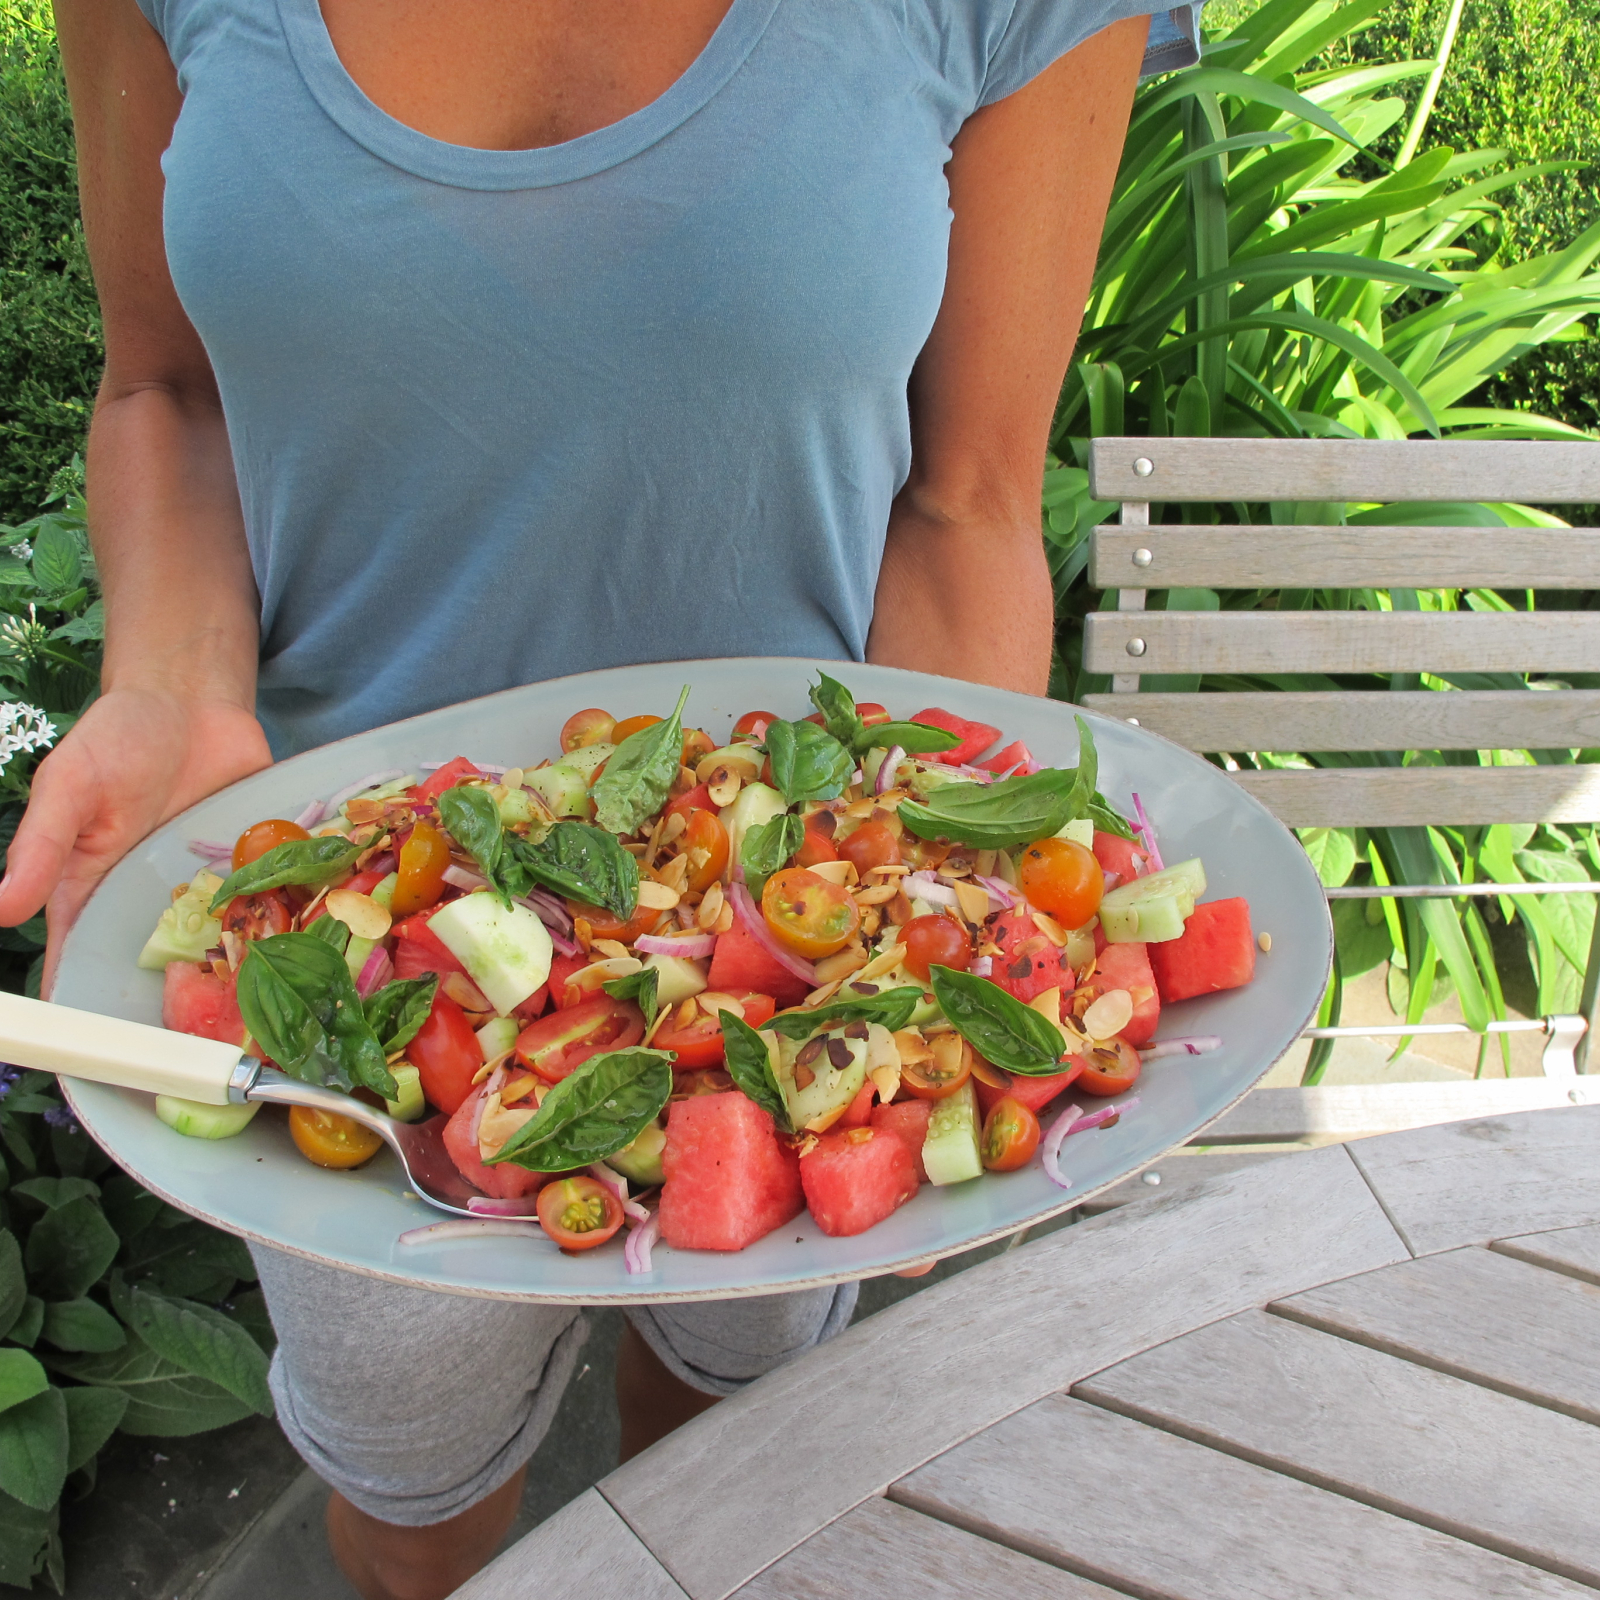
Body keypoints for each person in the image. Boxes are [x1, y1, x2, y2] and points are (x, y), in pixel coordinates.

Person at [7, 1, 1201, 1595]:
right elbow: (167, 391)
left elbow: (965, 493)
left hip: (797, 971)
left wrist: (953, 922)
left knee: (724, 1470)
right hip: (353, 989)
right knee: (413, 1515)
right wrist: (167, 683)